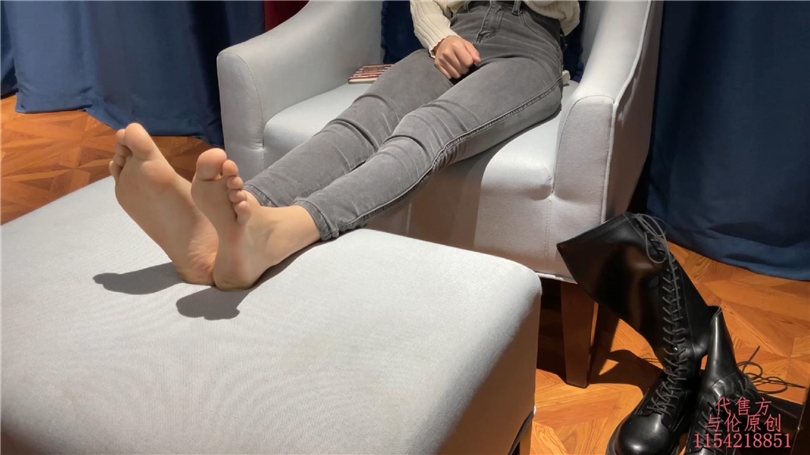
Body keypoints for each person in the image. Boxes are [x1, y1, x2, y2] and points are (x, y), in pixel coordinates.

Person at [110, 0, 580, 290]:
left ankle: (283, 231)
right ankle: (222, 225)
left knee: (428, 128)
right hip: (456, 33)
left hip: (530, 47)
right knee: (362, 120)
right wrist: (439, 38)